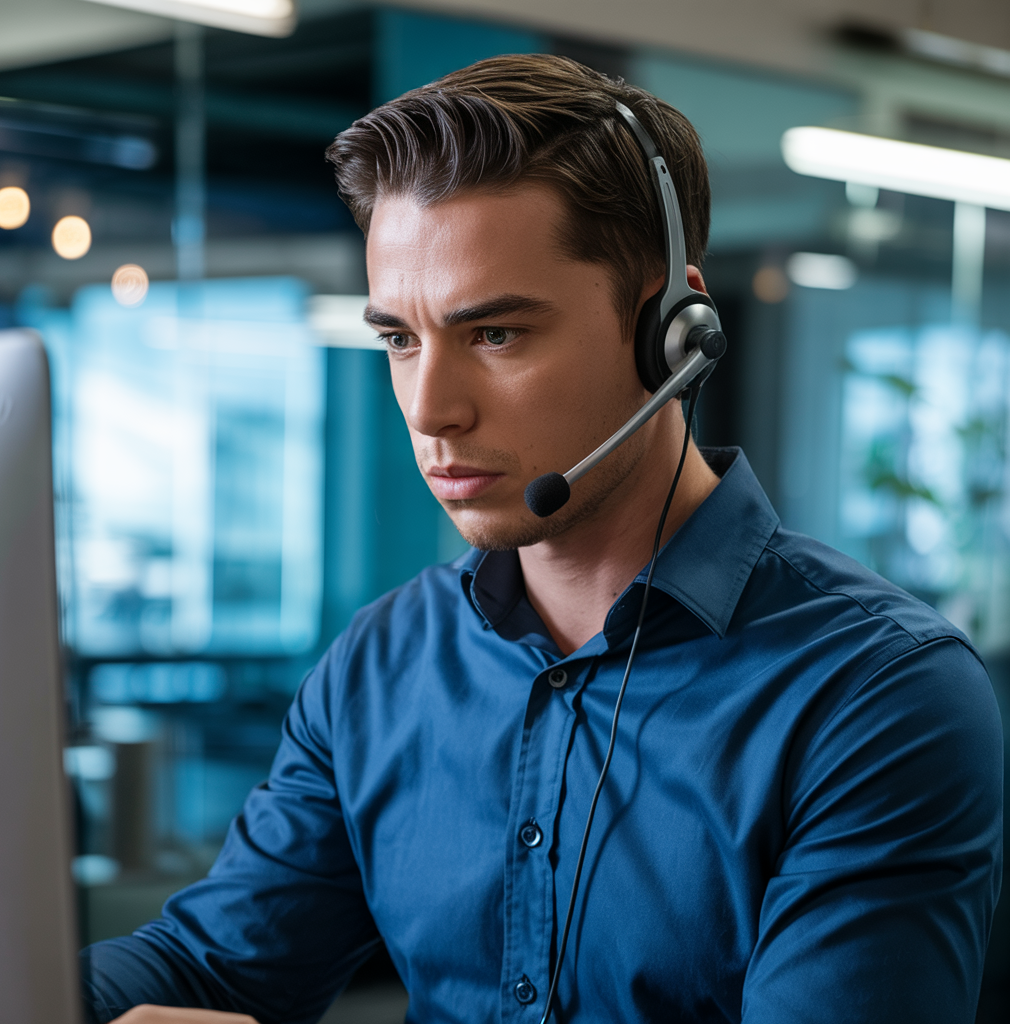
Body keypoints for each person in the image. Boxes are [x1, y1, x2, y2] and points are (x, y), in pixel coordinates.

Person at [82, 55, 1002, 1024]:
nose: (430, 409)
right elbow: (214, 967)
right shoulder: (384, 666)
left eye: (496, 335)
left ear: (669, 331)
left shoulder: (873, 692)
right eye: (400, 339)